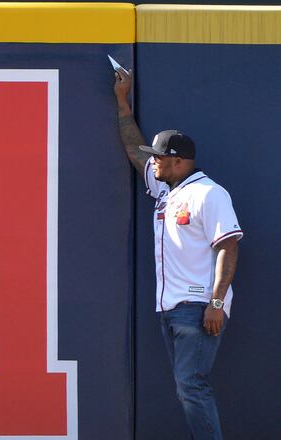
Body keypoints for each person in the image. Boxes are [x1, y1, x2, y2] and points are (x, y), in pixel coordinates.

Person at [113, 68, 242, 440]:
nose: (153, 162)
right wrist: (122, 102)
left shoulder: (208, 193)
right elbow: (134, 150)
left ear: (179, 160)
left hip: (198, 306)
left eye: (160, 158)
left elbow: (228, 246)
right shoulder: (167, 190)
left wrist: (216, 302)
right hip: (170, 306)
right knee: (187, 386)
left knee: (191, 385)